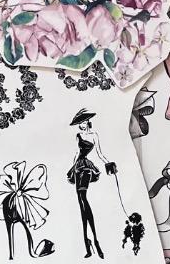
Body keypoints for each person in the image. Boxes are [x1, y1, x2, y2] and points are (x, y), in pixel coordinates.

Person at [66, 109, 115, 258]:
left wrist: (108, 163)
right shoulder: (78, 135)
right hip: (78, 168)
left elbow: (99, 153)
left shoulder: (94, 135)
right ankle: (89, 242)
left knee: (83, 199)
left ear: (88, 121)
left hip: (86, 168)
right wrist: (71, 168)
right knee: (81, 203)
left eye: (83, 122)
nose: (81, 125)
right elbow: (76, 153)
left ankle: (94, 240)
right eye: (79, 123)